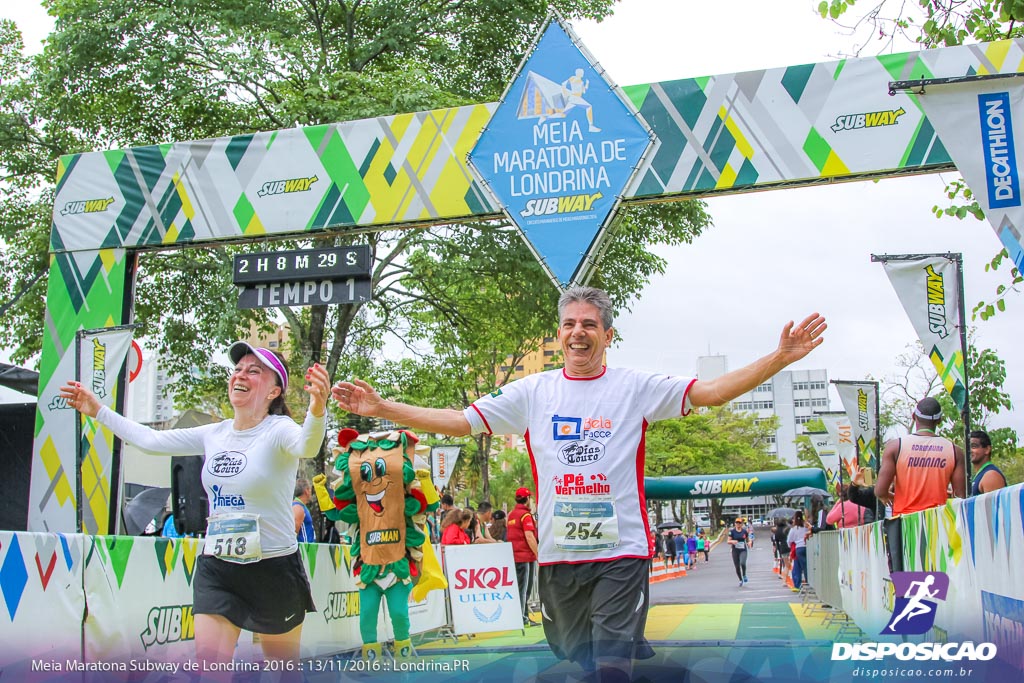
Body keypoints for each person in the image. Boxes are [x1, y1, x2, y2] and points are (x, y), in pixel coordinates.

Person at [331, 285, 826, 679]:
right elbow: (462, 420)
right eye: (569, 324)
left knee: (613, 663)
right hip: (560, 558)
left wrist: (778, 358)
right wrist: (383, 409)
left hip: (622, 553)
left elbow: (712, 392)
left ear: (607, 335)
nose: (578, 333)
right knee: (582, 662)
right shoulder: (532, 392)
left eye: (589, 324)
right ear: (560, 332)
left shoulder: (636, 388)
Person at [60, 342, 328, 673]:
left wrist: (317, 409)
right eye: (238, 369)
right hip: (218, 568)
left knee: (283, 672)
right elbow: (150, 441)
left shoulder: (279, 430)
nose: (241, 375)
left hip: (273, 569)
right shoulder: (213, 434)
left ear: (274, 391)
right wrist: (98, 410)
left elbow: (309, 444)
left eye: (254, 370)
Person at [875, 397, 966, 572]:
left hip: (903, 526)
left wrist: (887, 496)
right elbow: (959, 496)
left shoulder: (896, 447)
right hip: (937, 525)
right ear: (939, 420)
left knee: (906, 585)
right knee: (935, 582)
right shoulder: (954, 451)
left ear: (913, 416)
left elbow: (880, 490)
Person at [507, 487, 539, 627]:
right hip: (525, 557)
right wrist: (538, 555)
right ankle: (522, 618)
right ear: (527, 500)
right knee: (524, 589)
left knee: (521, 588)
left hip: (515, 556)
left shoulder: (512, 514)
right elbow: (529, 536)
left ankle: (523, 616)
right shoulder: (525, 516)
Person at [970, 430, 1007, 495]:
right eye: (968, 447)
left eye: (974, 446)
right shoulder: (979, 475)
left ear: (987, 449)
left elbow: (994, 504)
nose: (969, 450)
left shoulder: (991, 475)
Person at [787, 511, 812, 591]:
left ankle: (798, 585)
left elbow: (789, 540)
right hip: (807, 546)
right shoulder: (806, 526)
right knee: (806, 566)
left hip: (798, 548)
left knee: (797, 567)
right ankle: (809, 582)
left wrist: (791, 546)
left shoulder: (794, 529)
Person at [727, 517, 750, 586]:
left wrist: (749, 543)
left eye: (739, 523)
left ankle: (744, 575)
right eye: (737, 523)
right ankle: (740, 579)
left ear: (742, 524)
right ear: (735, 524)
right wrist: (732, 541)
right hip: (735, 550)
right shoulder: (732, 532)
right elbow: (728, 541)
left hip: (743, 550)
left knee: (742, 563)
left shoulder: (744, 531)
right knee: (737, 566)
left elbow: (747, 540)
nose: (738, 524)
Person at [293, 478, 316, 543]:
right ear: (306, 491)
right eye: (310, 489)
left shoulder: (301, 506)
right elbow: (294, 532)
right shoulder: (298, 508)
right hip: (304, 549)